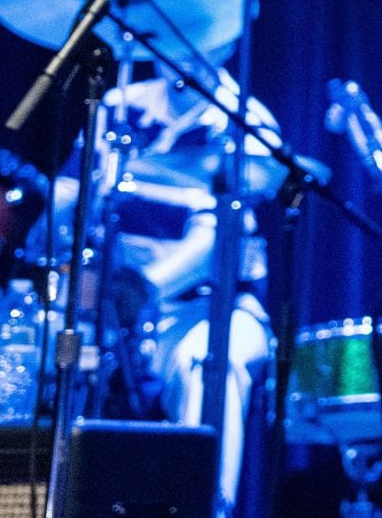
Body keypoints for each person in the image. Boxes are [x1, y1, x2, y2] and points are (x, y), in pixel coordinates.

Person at [38, 64, 274, 514]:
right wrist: (42, 221)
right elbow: (67, 193)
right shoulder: (119, 103)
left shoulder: (245, 119)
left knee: (211, 364)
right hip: (105, 305)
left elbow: (213, 244)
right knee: (27, 344)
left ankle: (205, 508)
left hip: (204, 310)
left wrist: (142, 292)